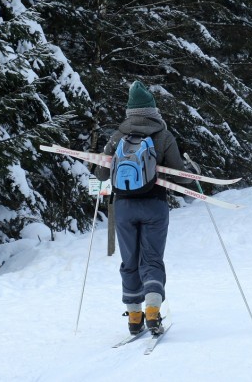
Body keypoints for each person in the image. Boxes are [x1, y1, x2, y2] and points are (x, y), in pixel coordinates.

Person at [95, 80, 199, 335]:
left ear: (130, 111)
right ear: (153, 110)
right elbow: (179, 175)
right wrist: (194, 175)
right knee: (152, 258)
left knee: (129, 260)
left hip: (124, 208)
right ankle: (152, 313)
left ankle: (133, 317)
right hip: (154, 205)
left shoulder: (118, 136)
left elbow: (100, 174)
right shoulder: (163, 135)